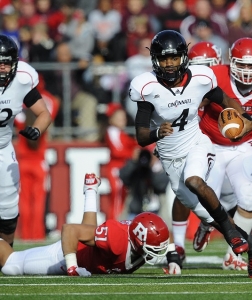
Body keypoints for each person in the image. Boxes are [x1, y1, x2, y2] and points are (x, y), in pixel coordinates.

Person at [129, 30, 252, 279]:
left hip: (198, 145)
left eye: (174, 58)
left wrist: (246, 120)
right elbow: (141, 136)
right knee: (213, 217)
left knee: (194, 180)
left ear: (184, 57)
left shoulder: (201, 78)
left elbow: (226, 101)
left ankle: (233, 236)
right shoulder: (146, 87)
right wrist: (158, 133)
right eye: (164, 59)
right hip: (171, 159)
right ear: (155, 60)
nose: (169, 64)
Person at [171, 37, 252, 274]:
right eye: (241, 65)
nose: (246, 71)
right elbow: (188, 106)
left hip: (243, 145)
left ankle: (233, 256)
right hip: (209, 143)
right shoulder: (216, 76)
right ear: (230, 62)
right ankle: (206, 225)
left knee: (247, 198)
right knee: (200, 200)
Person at [0, 173, 181, 276]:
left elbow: (164, 235)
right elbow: (70, 230)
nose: (159, 251)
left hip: (90, 253)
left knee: (92, 236)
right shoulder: (117, 239)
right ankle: (90, 190)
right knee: (11, 265)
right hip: (66, 255)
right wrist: (72, 267)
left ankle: (90, 189)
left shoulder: (142, 234)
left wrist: (173, 260)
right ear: (138, 241)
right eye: (154, 247)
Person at [0, 34, 52, 247]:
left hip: (3, 148)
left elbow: (44, 114)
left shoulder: (22, 79)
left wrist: (37, 130)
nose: (2, 68)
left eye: (6, 63)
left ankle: (5, 257)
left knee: (9, 209)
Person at [14, 74, 60, 240]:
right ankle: (37, 234)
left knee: (24, 202)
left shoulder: (18, 98)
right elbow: (52, 109)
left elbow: (16, 119)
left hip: (23, 160)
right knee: (39, 202)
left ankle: (25, 235)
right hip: (39, 162)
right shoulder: (47, 102)